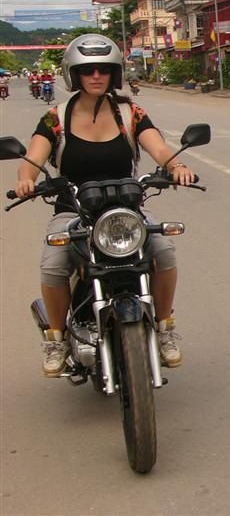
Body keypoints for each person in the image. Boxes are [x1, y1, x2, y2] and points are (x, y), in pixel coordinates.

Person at [14, 34, 195, 377]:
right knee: (54, 265)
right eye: (88, 70)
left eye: (104, 69)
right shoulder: (56, 117)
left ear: (115, 73)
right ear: (74, 74)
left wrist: (177, 166)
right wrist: (26, 180)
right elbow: (33, 159)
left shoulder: (130, 113)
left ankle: (164, 327)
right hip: (74, 210)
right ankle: (56, 339)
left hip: (126, 209)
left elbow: (159, 147)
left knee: (164, 251)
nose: (96, 76)